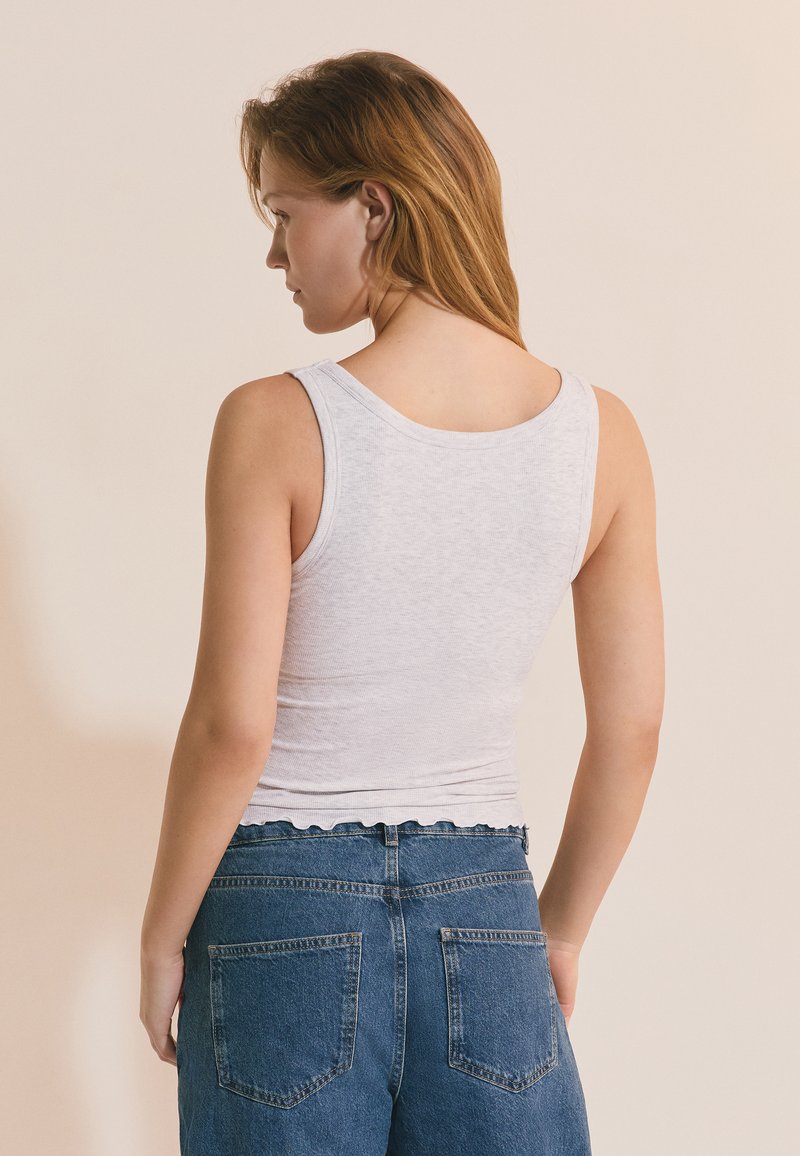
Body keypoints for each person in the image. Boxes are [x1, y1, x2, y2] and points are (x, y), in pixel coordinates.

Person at [139, 49, 664, 1156]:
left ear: (373, 207)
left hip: (281, 904)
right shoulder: (600, 436)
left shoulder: (276, 420)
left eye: (286, 215)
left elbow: (233, 725)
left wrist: (160, 935)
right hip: (486, 909)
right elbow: (632, 728)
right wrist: (559, 929)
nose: (274, 254)